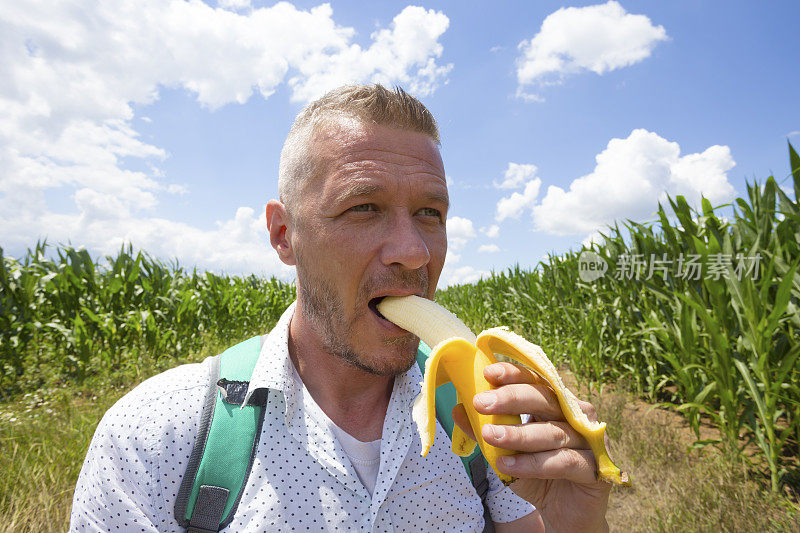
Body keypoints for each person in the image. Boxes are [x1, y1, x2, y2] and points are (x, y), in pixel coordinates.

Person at [70, 84, 611, 532]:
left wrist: (573, 522)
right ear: (285, 235)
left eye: (429, 213)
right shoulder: (155, 436)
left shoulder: (479, 417)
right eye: (363, 208)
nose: (414, 252)